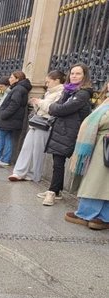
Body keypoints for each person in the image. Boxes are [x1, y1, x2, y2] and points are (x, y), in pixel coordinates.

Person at [39, 63, 94, 206]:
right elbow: (59, 106)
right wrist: (56, 107)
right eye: (72, 73)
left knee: (59, 163)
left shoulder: (82, 93)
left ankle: (53, 192)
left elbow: (61, 109)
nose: (74, 76)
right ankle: (55, 190)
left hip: (71, 132)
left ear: (84, 76)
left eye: (78, 74)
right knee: (58, 162)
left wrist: (52, 107)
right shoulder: (68, 91)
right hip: (62, 130)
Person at [64, 81, 109, 230]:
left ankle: (90, 214)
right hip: (99, 144)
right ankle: (99, 216)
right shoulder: (106, 100)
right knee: (99, 181)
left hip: (104, 145)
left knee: (97, 180)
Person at [9, 70, 65, 182]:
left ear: (57, 81)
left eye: (48, 82)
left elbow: (53, 109)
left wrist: (39, 102)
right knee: (27, 146)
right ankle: (19, 172)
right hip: (37, 121)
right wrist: (36, 103)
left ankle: (34, 174)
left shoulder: (61, 93)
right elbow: (43, 108)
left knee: (38, 150)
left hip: (46, 123)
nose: (46, 84)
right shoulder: (49, 92)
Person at [0, 71, 31, 167]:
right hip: (13, 119)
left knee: (1, 135)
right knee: (8, 138)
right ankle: (4, 159)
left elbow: (14, 104)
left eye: (11, 77)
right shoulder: (19, 88)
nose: (9, 79)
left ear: (17, 79)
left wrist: (3, 114)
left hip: (9, 118)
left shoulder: (18, 89)